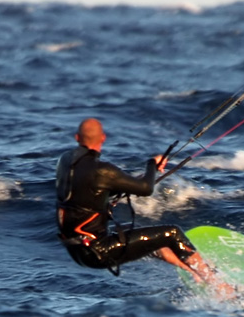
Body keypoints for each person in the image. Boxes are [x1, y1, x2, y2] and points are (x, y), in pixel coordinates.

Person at [55, 118, 232, 291]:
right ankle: (220, 286)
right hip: (98, 251)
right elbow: (146, 189)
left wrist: (145, 175)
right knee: (172, 233)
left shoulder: (65, 161)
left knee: (153, 238)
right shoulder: (103, 170)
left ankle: (192, 272)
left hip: (77, 250)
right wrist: (152, 164)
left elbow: (90, 192)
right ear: (103, 138)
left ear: (77, 138)